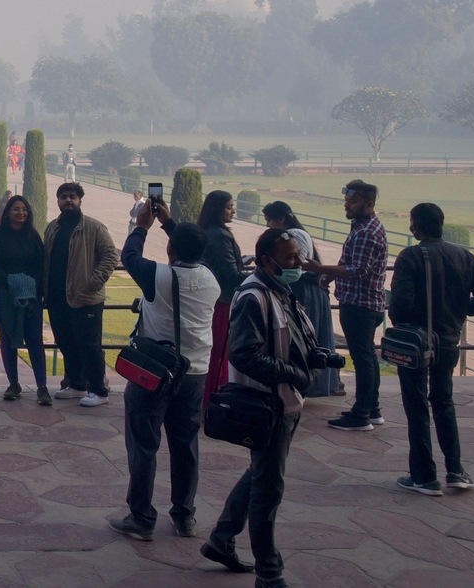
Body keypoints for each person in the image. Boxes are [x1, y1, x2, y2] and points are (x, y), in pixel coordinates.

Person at [202, 229, 319, 588]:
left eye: (298, 255)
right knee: (268, 489)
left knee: (261, 473)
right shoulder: (254, 296)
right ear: (267, 261)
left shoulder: (279, 290)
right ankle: (269, 573)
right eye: (289, 258)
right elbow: (244, 353)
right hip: (268, 403)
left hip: (284, 401)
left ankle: (222, 537)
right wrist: (295, 373)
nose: (297, 262)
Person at [109, 201, 218, 541]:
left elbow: (128, 257)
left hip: (155, 372)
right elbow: (191, 251)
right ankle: (184, 515)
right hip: (195, 371)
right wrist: (169, 222)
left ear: (170, 248)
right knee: (185, 445)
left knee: (144, 444)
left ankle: (141, 517)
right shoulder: (210, 278)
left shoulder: (160, 276)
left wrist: (142, 225)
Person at [389, 202, 474, 496]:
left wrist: (403, 324)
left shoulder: (411, 256)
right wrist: (459, 311)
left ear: (416, 226)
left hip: (417, 342)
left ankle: (424, 475)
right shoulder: (464, 256)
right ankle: (455, 469)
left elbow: (400, 303)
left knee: (417, 407)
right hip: (449, 339)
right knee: (443, 402)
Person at [302, 179, 388, 431]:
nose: (347, 206)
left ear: (369, 203)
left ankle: (361, 415)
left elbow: (357, 270)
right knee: (368, 358)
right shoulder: (361, 227)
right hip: (364, 303)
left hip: (360, 305)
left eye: (353, 201)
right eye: (347, 201)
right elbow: (349, 259)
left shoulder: (367, 232)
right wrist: (329, 275)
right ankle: (371, 409)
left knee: (363, 360)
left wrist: (320, 268)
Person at [43, 182, 120, 407]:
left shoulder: (94, 228)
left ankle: (99, 390)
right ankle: (77, 384)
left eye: (72, 197)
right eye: (64, 197)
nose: (68, 200)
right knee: (67, 342)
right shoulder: (52, 228)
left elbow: (110, 256)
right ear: (57, 201)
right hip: (58, 297)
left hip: (86, 298)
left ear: (79, 201)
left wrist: (93, 282)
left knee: (90, 345)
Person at [262, 202, 339, 397]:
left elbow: (297, 267)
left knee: (305, 340)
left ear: (281, 219)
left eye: (270, 220)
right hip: (302, 289)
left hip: (305, 290)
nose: (269, 225)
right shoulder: (289, 235)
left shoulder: (294, 236)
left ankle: (308, 383)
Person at [0, 195, 49, 404]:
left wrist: (29, 286)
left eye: (24, 209)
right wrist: (14, 284)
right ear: (8, 213)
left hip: (31, 295)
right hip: (3, 293)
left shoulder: (33, 236)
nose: (21, 213)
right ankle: (13, 384)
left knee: (34, 338)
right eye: (16, 209)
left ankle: (42, 386)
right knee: (8, 339)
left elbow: (41, 265)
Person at [199, 190, 247, 410]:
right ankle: (213, 401)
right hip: (222, 302)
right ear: (217, 209)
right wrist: (262, 276)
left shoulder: (210, 231)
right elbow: (231, 275)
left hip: (215, 299)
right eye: (228, 206)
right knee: (219, 353)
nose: (232, 210)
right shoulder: (219, 235)